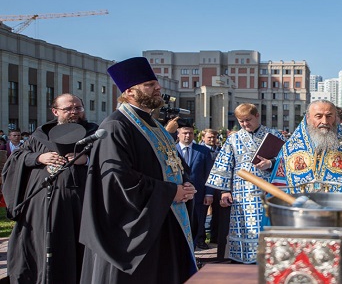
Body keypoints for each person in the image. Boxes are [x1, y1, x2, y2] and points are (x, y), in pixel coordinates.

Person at [79, 57, 197, 283]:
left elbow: (172, 164)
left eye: (156, 83)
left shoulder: (155, 125)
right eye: (150, 85)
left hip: (163, 218)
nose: (158, 88)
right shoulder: (116, 125)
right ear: (131, 92)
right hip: (135, 229)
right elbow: (117, 179)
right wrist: (171, 192)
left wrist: (185, 184)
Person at [270, 100, 342, 267]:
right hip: (302, 217)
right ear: (308, 118)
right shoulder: (291, 146)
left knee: (337, 267)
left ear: (336, 117)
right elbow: (279, 186)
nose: (324, 121)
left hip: (339, 216)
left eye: (329, 116)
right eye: (318, 116)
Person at [2, 94, 98, 283]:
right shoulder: (40, 135)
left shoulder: (95, 133)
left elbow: (111, 160)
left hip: (82, 205)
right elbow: (16, 159)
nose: (74, 112)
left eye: (78, 108)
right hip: (43, 205)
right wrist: (38, 158)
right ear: (55, 112)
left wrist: (86, 160)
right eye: (68, 109)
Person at [205, 103, 283, 264]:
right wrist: (225, 191)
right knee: (244, 226)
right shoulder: (233, 138)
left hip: (268, 189)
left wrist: (271, 163)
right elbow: (224, 164)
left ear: (257, 116)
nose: (245, 124)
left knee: (266, 223)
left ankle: (268, 258)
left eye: (248, 120)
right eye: (241, 121)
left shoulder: (274, 135)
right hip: (242, 192)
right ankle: (242, 259)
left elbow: (287, 160)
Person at [176, 124, 214, 250]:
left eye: (190, 133)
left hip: (199, 194)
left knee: (200, 220)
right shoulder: (172, 150)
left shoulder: (203, 151)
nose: (187, 136)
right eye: (185, 133)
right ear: (178, 134)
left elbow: (209, 173)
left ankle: (197, 243)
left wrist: (209, 193)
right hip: (178, 194)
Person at [201, 129, 229, 257]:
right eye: (209, 137)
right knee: (201, 215)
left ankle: (214, 237)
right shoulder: (200, 150)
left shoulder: (220, 150)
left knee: (217, 214)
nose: (212, 140)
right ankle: (201, 239)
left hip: (219, 189)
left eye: (214, 137)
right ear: (203, 138)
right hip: (203, 188)